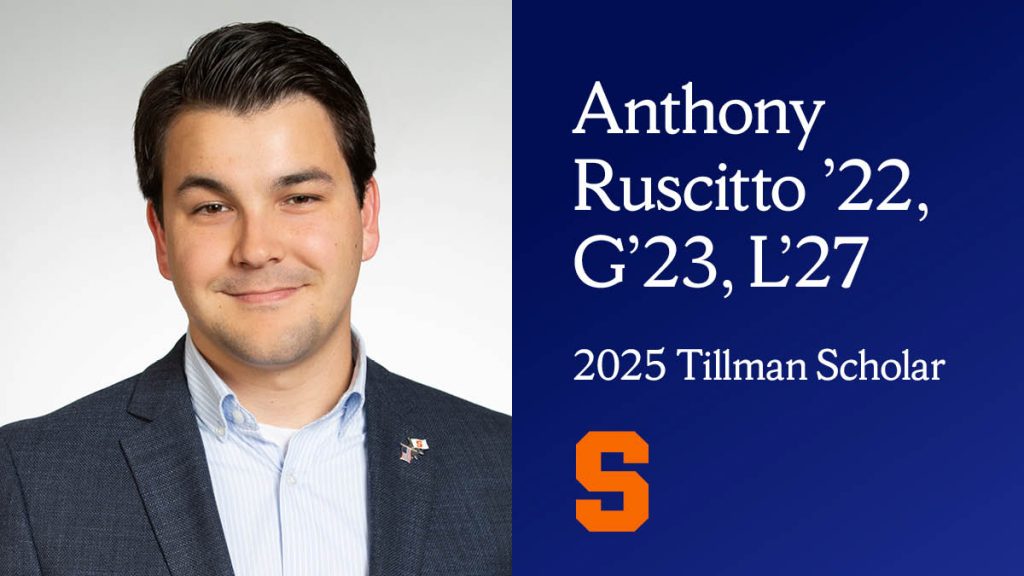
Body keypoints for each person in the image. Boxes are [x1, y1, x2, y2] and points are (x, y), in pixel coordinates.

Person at [0, 22, 510, 576]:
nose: (257, 249)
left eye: (298, 197)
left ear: (366, 216)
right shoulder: (28, 480)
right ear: (161, 236)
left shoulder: (516, 473)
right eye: (212, 208)